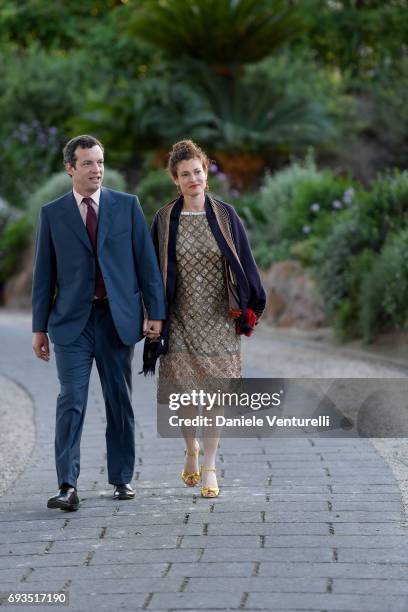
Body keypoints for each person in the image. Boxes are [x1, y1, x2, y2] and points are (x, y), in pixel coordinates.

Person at [32, 134, 166, 511]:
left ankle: (121, 477)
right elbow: (44, 276)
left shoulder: (126, 207)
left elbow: (146, 264)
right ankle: (67, 485)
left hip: (116, 319)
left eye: (100, 162)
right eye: (88, 163)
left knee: (118, 399)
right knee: (70, 399)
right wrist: (38, 328)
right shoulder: (52, 214)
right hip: (71, 323)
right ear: (70, 168)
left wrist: (155, 313)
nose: (97, 169)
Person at [143, 140, 265, 498]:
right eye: (185, 175)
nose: (193, 178)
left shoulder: (226, 215)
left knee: (214, 396)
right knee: (185, 397)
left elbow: (245, 260)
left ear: (206, 174)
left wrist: (249, 307)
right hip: (179, 317)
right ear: (176, 181)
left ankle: (210, 464)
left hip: (218, 320)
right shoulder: (165, 219)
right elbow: (152, 273)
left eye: (197, 171)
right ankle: (190, 449)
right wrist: (154, 315)